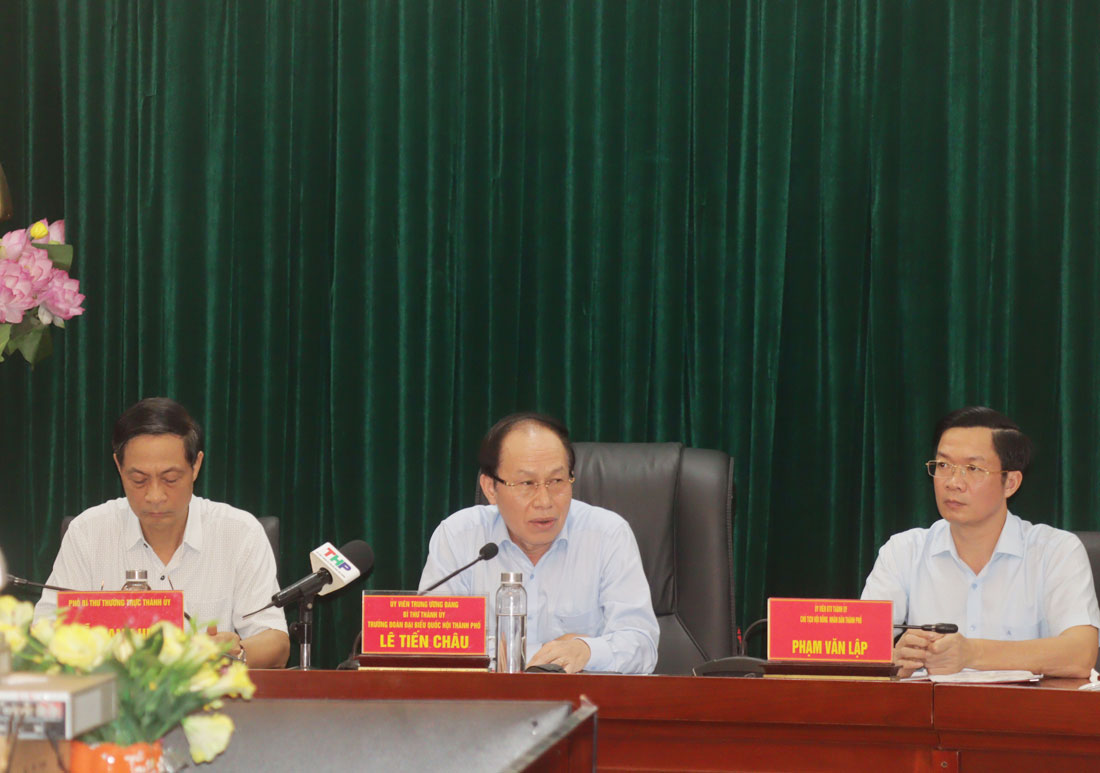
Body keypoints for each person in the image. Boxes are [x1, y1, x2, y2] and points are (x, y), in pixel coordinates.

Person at [34, 398, 290, 668]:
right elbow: (43, 633)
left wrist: (235, 653)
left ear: (196, 466)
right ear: (119, 467)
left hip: (208, 693)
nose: (155, 496)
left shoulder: (239, 533)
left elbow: (276, 643)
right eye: (139, 480)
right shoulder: (88, 533)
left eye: (170, 479)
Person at [862, 406, 1100, 678]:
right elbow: (858, 649)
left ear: (1010, 483)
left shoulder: (1055, 551)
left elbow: (1080, 655)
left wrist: (971, 653)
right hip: (927, 704)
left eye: (973, 468)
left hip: (1025, 705)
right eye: (943, 465)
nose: (953, 482)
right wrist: (892, 661)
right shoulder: (903, 551)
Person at [419, 412, 659, 673]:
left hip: (582, 698)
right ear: (490, 488)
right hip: (484, 699)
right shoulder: (459, 537)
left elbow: (642, 645)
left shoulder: (608, 535)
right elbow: (433, 641)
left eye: (556, 481)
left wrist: (586, 651)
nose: (545, 501)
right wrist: (548, 653)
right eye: (527, 483)